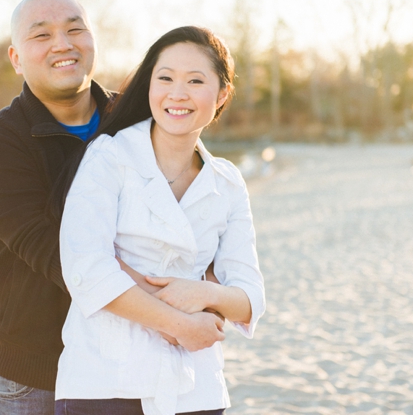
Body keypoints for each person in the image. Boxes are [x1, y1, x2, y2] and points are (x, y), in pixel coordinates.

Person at [0, 0, 181, 414]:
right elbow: (61, 258)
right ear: (15, 58)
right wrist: (171, 314)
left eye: (75, 28)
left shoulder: (137, 125)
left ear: (92, 39)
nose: (62, 43)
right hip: (33, 374)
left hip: (128, 359)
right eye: (41, 35)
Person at [55, 26, 266, 415]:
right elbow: (85, 268)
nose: (177, 93)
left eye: (195, 81)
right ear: (149, 85)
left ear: (221, 94)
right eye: (165, 78)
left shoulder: (227, 182)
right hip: (105, 381)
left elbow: (250, 299)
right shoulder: (109, 156)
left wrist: (204, 294)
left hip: (196, 389)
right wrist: (179, 323)